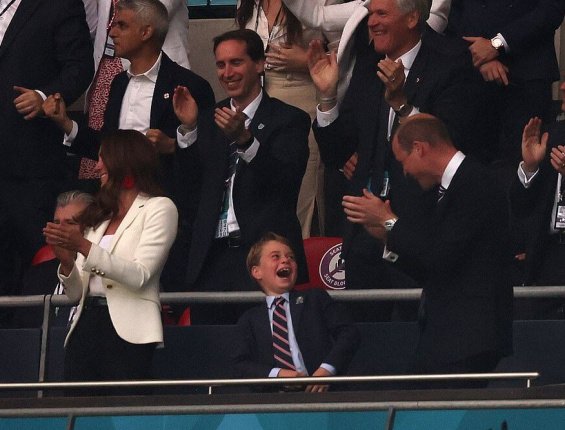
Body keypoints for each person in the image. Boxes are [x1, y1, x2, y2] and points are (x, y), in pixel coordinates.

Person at [307, 0, 474, 318]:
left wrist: (402, 103)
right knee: (367, 343)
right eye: (370, 14)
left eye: (382, 14)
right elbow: (337, 152)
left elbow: (448, 149)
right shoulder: (370, 65)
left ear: (412, 18)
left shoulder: (450, 64)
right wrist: (328, 97)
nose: (371, 22)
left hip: (420, 231)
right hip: (364, 234)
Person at [345, 114, 513, 386]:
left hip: (469, 335)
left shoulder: (476, 182)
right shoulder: (444, 189)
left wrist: (390, 221)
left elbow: (442, 255)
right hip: (445, 334)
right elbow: (430, 265)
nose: (405, 172)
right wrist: (387, 237)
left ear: (420, 148)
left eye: (403, 162)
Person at [170, 29, 309, 319]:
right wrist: (188, 132)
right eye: (220, 65)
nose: (227, 72)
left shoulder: (289, 119)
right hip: (210, 260)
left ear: (259, 64)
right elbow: (188, 191)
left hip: (260, 257)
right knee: (211, 353)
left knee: (265, 354)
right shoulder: (208, 118)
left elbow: (285, 183)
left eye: (236, 62)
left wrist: (245, 140)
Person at [43, 0, 214, 212]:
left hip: (166, 206)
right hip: (117, 206)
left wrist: (174, 145)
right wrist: (67, 124)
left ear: (146, 32)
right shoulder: (118, 84)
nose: (112, 32)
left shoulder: (189, 87)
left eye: (121, 25)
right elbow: (108, 144)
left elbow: (209, 158)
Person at [43, 130, 178, 395]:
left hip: (128, 332)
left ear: (124, 161)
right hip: (85, 327)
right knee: (78, 414)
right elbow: (75, 294)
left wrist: (82, 244)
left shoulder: (159, 208)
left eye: (102, 158)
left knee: (122, 416)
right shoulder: (101, 216)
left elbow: (141, 275)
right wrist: (67, 260)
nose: (97, 166)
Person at [0, 0, 93, 316]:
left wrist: (44, 96)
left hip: (31, 166)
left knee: (36, 263)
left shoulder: (58, 5)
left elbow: (79, 67)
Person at [237, 0, 344, 238]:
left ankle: (302, 262)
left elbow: (345, 55)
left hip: (303, 99)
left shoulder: (322, 3)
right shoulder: (246, 3)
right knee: (261, 186)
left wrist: (307, 60)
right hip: (259, 101)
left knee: (301, 193)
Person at [78, 0, 192, 180]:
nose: (113, 31)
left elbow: (154, 12)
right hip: (107, 68)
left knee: (148, 160)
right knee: (106, 154)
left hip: (154, 65)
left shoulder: (184, 82)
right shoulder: (117, 82)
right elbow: (90, 23)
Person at [232, 232, 360, 391]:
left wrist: (327, 370)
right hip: (274, 401)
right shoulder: (250, 319)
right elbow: (240, 364)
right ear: (257, 271)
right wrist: (277, 375)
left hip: (323, 395)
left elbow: (348, 333)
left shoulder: (315, 298)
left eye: (291, 257)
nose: (286, 260)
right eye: (275, 257)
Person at [446, 0, 565, 167]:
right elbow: (457, 12)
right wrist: (480, 55)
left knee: (522, 165)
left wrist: (497, 44)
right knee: (472, 164)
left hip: (527, 75)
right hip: (472, 74)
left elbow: (552, 9)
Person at [509, 81, 565, 318]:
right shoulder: (553, 135)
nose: (563, 87)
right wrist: (530, 168)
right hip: (549, 254)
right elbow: (522, 208)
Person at [13, 191, 95, 329]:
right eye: (56, 223)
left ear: (93, 229)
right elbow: (20, 333)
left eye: (70, 223)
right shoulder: (35, 276)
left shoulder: (100, 276)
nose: (59, 230)